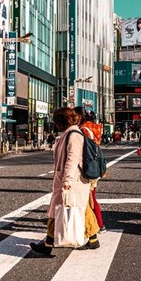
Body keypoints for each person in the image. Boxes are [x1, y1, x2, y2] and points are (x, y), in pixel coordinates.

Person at [30, 107, 100, 256]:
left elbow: (72, 159)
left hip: (72, 181)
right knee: (79, 209)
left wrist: (67, 180)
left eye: (57, 121)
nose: (56, 125)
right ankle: (93, 239)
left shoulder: (73, 135)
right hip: (73, 180)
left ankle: (48, 244)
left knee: (59, 210)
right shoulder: (70, 133)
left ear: (61, 122)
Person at [75, 107, 106, 234]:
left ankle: (98, 224)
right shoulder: (95, 128)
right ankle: (97, 223)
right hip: (94, 166)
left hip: (86, 167)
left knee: (89, 199)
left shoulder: (83, 130)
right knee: (91, 197)